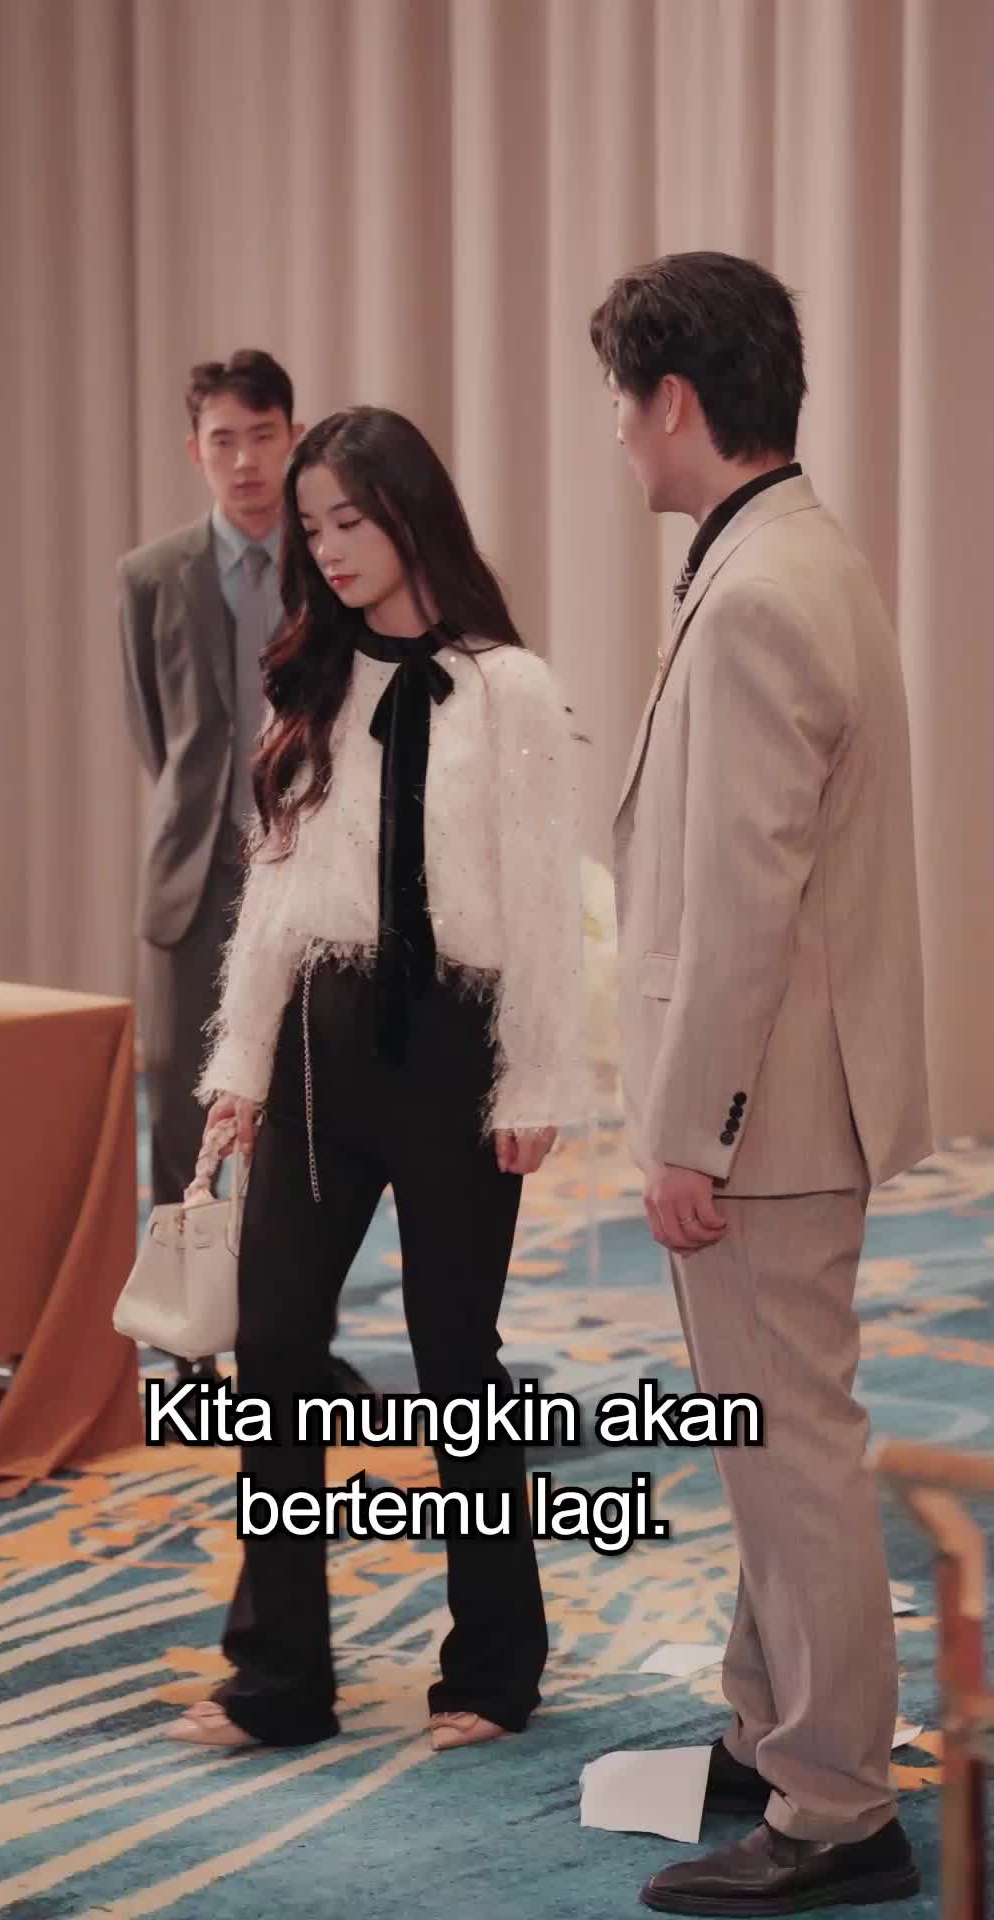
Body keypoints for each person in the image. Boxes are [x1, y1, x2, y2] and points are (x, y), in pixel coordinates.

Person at [164, 405, 588, 1753]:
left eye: (350, 519)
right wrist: (240, 1061)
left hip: (458, 1047)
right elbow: (275, 893)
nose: (331, 549)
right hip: (320, 1041)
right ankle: (280, 1676)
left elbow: (544, 901)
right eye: (313, 528)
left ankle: (492, 1667)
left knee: (459, 1357)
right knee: (275, 1341)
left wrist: (537, 1079)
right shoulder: (314, 679)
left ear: (411, 513)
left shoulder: (510, 688)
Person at [592, 253, 931, 1914]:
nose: (616, 437)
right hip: (803, 1095)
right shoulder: (797, 551)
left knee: (793, 1453)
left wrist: (690, 1132)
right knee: (769, 1438)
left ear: (673, 401)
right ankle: (774, 1718)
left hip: (768, 1115)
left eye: (621, 403)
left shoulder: (756, 594)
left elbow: (742, 904)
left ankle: (839, 1809)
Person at [118, 350, 372, 1403]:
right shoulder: (151, 576)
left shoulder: (332, 559)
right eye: (223, 440)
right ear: (196, 451)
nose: (245, 460)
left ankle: (289, 1343)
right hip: (196, 879)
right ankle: (190, 1346)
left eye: (264, 436)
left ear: (293, 438)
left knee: (307, 1116)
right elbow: (157, 732)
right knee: (185, 1113)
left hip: (314, 872)